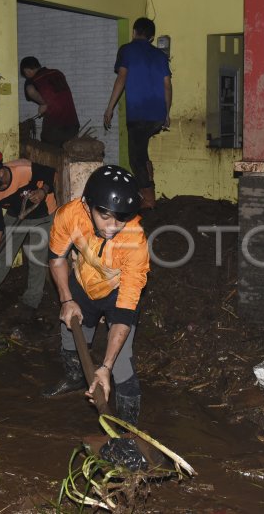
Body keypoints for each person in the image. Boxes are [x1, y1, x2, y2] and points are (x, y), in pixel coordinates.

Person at [44, 165, 150, 426]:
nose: (113, 227)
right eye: (105, 216)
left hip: (117, 292)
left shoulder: (135, 242)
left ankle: (128, 429)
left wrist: (105, 367)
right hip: (83, 283)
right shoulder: (70, 215)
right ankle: (74, 378)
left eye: (121, 218)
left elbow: (125, 309)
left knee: (122, 362)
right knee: (70, 334)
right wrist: (67, 300)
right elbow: (56, 259)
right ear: (86, 205)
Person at [0, 143, 57, 321]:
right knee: (1, 258)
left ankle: (31, 302)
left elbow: (50, 173)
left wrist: (42, 190)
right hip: (16, 216)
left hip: (43, 214)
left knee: (36, 259)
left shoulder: (24, 170)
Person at [103, 17, 172, 212]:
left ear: (134, 32)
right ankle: (149, 184)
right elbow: (167, 85)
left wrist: (110, 108)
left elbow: (122, 77)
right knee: (142, 151)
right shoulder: (160, 55)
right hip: (157, 114)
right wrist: (166, 113)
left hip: (138, 114)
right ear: (151, 37)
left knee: (135, 157)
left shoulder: (127, 50)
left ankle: (148, 199)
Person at [20, 56, 80, 147]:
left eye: (25, 74)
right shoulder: (57, 73)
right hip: (73, 124)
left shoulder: (33, 80)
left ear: (27, 70)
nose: (26, 76)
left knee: (49, 155)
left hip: (54, 126)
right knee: (69, 156)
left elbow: (31, 92)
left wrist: (43, 103)